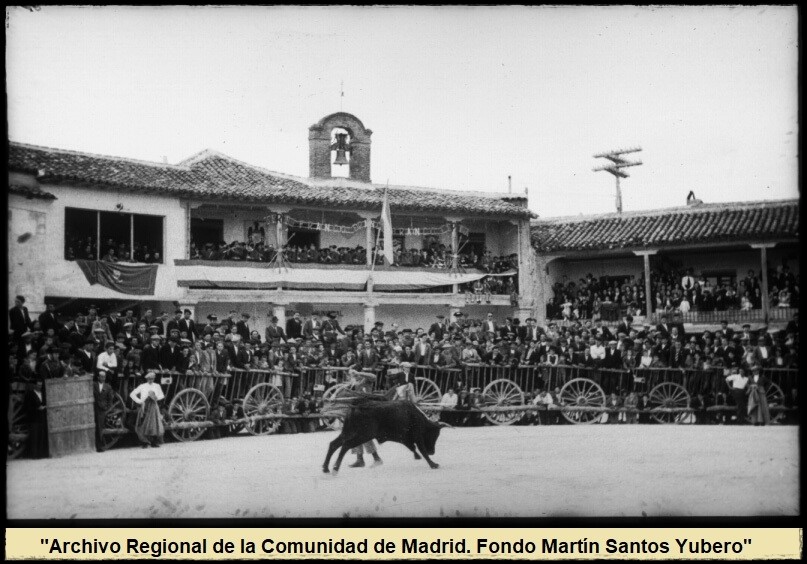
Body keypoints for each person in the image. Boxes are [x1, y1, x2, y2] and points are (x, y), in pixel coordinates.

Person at [345, 368, 383, 468]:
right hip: (359, 409)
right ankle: (360, 459)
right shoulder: (354, 383)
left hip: (367, 409)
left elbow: (373, 376)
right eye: (351, 374)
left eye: (353, 373)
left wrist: (359, 372)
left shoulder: (366, 379)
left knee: (363, 434)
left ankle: (375, 458)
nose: (353, 375)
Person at [129, 371, 165, 448]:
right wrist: (140, 401)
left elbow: (161, 395)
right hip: (144, 406)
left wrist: (155, 397)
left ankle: (154, 442)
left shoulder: (157, 386)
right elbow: (132, 394)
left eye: (152, 379)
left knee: (154, 423)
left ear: (154, 379)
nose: (150, 380)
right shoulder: (142, 386)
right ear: (147, 379)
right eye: (149, 379)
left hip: (153, 406)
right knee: (143, 423)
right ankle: (145, 442)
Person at [23, 378, 48, 459]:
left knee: (41, 436)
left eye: (41, 385)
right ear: (34, 385)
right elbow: (26, 407)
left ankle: (40, 454)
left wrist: (43, 407)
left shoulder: (42, 394)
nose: (39, 386)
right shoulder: (30, 394)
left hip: (41, 418)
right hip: (33, 419)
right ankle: (34, 455)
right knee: (34, 437)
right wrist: (37, 408)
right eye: (38, 385)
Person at [93, 370, 117, 452]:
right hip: (93, 408)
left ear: (105, 378)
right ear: (98, 377)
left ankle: (99, 446)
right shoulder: (94, 385)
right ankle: (94, 445)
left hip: (102, 409)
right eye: (101, 377)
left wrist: (107, 408)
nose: (102, 378)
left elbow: (110, 399)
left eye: (104, 377)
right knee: (94, 426)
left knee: (100, 427)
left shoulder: (108, 387)